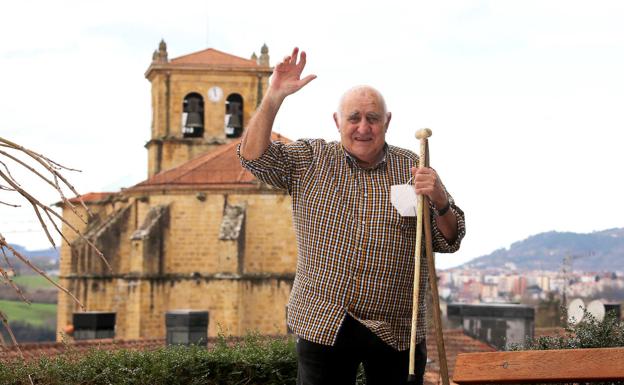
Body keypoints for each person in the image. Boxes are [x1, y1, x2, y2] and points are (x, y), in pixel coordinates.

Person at [238, 47, 465, 385]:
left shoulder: (413, 166)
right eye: (354, 118)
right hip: (323, 320)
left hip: (397, 326)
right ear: (337, 122)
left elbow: (450, 238)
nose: (363, 127)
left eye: (372, 118)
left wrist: (439, 196)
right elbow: (254, 158)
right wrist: (274, 96)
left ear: (386, 122)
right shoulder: (310, 158)